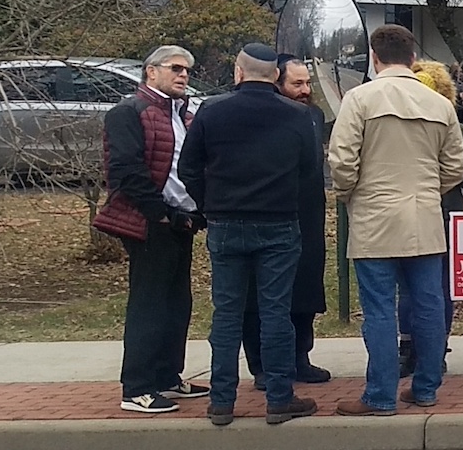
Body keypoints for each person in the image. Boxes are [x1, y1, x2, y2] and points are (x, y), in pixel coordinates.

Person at [325, 25, 463, 415]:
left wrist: (351, 192)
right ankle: (425, 387)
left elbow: (341, 161)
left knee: (379, 309)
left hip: (373, 218)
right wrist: (425, 190)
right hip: (424, 215)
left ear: (374, 57)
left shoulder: (359, 99)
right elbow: (455, 167)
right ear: (412, 58)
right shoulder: (440, 105)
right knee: (428, 304)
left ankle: (380, 394)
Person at [177, 43, 323, 426]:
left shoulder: (212, 110)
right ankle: (279, 397)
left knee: (227, 313)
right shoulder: (296, 115)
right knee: (276, 312)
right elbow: (309, 171)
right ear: (276, 76)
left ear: (238, 72)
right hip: (278, 221)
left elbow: (188, 166)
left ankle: (222, 400)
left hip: (225, 221)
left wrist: (208, 203)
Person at [94, 45, 209, 414]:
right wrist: (161, 214)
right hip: (147, 221)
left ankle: (166, 376)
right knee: (150, 303)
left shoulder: (181, 113)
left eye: (188, 70)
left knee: (177, 302)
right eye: (175, 68)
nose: (183, 75)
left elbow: (184, 167)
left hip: (180, 218)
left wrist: (194, 210)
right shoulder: (129, 112)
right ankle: (137, 387)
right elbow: (127, 171)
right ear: (151, 72)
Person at [241, 54, 331, 389]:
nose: (305, 90)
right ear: (277, 82)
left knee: (305, 290)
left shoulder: (314, 116)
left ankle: (299, 357)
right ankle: (262, 364)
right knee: (261, 293)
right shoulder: (259, 117)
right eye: (297, 83)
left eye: (308, 83)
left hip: (308, 216)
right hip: (267, 213)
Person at [398, 59, 463, 378]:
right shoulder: (399, 128)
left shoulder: (457, 129)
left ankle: (436, 349)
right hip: (405, 213)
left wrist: (445, 173)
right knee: (405, 287)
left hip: (445, 215)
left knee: (439, 287)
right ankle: (408, 347)